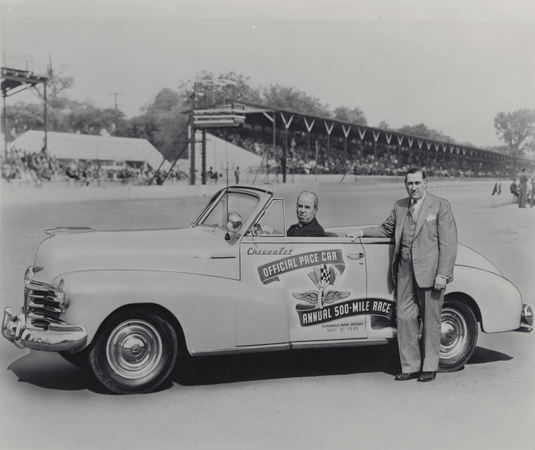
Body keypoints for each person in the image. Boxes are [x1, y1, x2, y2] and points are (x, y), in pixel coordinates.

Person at [350, 168, 457, 382]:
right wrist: (361, 232)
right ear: (405, 185)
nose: (414, 188)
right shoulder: (399, 206)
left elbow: (448, 243)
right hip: (405, 270)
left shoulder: (440, 205)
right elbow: (386, 229)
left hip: (431, 272)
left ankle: (429, 367)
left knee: (431, 319)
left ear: (426, 182)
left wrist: (443, 274)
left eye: (417, 183)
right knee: (404, 317)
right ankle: (410, 366)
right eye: (410, 184)